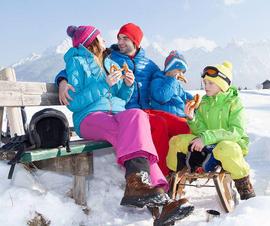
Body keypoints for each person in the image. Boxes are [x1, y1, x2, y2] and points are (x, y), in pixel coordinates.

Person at [64, 25, 194, 225]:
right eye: (101, 38)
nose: (107, 41)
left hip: (115, 113)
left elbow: (120, 98)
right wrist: (102, 84)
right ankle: (144, 189)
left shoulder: (106, 62)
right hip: (90, 117)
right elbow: (74, 102)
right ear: (93, 41)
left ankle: (155, 196)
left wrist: (127, 85)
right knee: (134, 138)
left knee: (137, 115)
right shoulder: (76, 62)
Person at [56, 23, 190, 176]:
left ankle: (184, 168)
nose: (120, 42)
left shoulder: (149, 65)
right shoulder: (110, 57)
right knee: (158, 125)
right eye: (119, 38)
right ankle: (162, 176)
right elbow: (76, 66)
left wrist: (184, 97)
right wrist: (62, 80)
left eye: (125, 38)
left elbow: (164, 80)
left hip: (144, 110)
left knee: (184, 126)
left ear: (135, 42)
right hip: (126, 112)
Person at [166, 61, 256, 200]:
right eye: (205, 82)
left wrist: (207, 138)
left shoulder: (234, 103)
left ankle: (244, 187)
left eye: (210, 83)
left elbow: (236, 131)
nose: (206, 86)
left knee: (226, 148)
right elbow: (200, 131)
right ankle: (172, 180)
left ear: (222, 85)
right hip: (208, 144)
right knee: (177, 141)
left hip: (230, 144)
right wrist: (192, 119)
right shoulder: (204, 102)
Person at [150, 50, 193, 118]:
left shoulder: (175, 83)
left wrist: (192, 99)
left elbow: (183, 95)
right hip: (165, 116)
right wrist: (172, 80)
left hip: (180, 115)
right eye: (179, 70)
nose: (181, 74)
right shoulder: (157, 80)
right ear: (169, 68)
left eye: (183, 72)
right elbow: (162, 97)